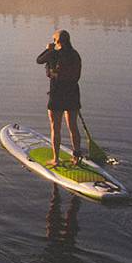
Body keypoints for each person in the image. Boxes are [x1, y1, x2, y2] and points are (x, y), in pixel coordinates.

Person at [35, 29, 85, 165]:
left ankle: (55, 159)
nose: (53, 42)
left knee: (55, 127)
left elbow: (39, 60)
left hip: (57, 94)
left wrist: (47, 49)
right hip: (72, 94)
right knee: (73, 126)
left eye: (54, 40)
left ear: (58, 41)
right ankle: (76, 157)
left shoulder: (53, 54)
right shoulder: (75, 55)